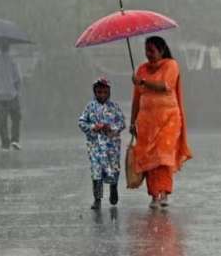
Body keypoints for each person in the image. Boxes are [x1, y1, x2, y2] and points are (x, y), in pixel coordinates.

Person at [131, 36, 192, 209]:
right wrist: (132, 121)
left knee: (162, 157)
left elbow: (165, 85)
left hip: (169, 121)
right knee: (149, 158)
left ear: (162, 50)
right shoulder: (141, 69)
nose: (148, 54)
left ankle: (163, 192)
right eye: (146, 50)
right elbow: (136, 98)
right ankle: (154, 195)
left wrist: (142, 82)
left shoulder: (171, 65)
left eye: (151, 50)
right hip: (146, 123)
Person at [78, 77, 125, 210]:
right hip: (95, 146)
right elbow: (81, 122)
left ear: (109, 92)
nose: (101, 95)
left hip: (112, 146)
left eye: (104, 92)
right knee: (96, 171)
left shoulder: (114, 107)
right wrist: (93, 127)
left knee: (113, 168)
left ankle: (113, 187)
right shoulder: (90, 107)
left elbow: (122, 123)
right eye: (99, 92)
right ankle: (97, 198)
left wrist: (111, 128)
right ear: (95, 92)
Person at [0, 41, 23, 150]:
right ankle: (15, 140)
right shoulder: (13, 61)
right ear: (9, 47)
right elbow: (18, 78)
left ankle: (4, 142)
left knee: (2, 121)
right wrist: (17, 90)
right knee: (16, 118)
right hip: (12, 95)